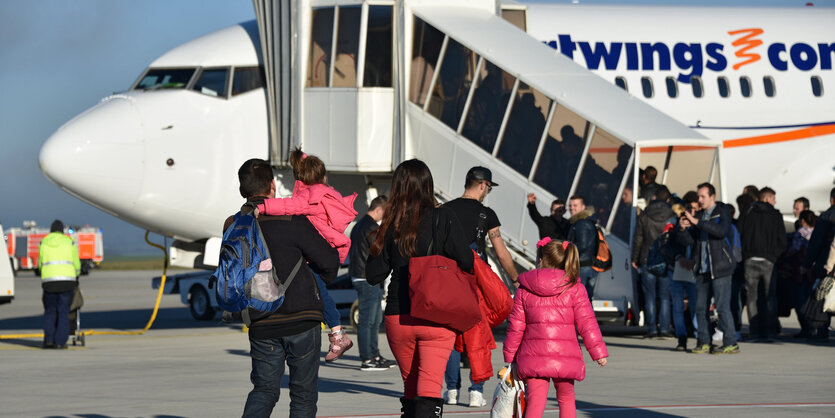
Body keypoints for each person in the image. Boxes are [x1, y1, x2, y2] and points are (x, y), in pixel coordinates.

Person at [231, 159, 340, 417]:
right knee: (302, 397)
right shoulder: (293, 220)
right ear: (272, 186)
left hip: (261, 321)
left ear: (241, 190)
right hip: (302, 317)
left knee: (263, 391)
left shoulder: (234, 225)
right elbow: (330, 264)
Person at [367, 159, 474, 417]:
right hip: (436, 312)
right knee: (429, 389)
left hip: (398, 314)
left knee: (411, 388)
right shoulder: (443, 217)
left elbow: (374, 274)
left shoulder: (391, 223)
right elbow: (467, 260)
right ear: (428, 185)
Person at [255, 149, 357, 362]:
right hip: (328, 248)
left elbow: (288, 205)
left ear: (301, 176)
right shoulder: (327, 192)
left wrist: (263, 207)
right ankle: (337, 333)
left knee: (320, 293)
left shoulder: (310, 196)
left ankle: (339, 335)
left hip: (316, 252)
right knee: (319, 290)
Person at [503, 238, 608, 418]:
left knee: (535, 401)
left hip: (533, 355)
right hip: (565, 355)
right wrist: (598, 352)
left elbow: (516, 326)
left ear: (541, 259)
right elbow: (587, 323)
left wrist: (510, 355)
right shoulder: (575, 288)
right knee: (566, 399)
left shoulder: (524, 289)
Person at [442, 166, 518, 408]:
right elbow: (501, 253)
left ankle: (452, 390)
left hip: (448, 281)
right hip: (475, 282)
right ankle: (476, 392)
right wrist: (516, 278)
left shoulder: (445, 210)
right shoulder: (487, 215)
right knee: (478, 334)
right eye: (488, 188)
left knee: (452, 337)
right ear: (484, 184)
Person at [674, 182, 740, 354]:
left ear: (712, 197)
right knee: (700, 307)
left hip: (720, 267)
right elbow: (691, 241)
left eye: (703, 196)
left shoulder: (722, 211)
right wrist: (683, 229)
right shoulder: (701, 215)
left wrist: (697, 222)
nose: (700, 200)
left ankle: (730, 342)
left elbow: (721, 231)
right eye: (699, 197)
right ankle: (703, 341)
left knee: (722, 306)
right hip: (702, 268)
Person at [348, 195, 395, 371]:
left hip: (363, 276)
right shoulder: (371, 227)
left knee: (374, 320)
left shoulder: (359, 225)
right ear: (378, 210)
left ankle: (374, 355)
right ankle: (368, 358)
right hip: (366, 278)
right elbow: (380, 251)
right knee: (369, 320)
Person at [739, 187, 787, 341]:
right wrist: (775, 255)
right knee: (769, 296)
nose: (775, 202)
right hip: (769, 260)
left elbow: (740, 233)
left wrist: (745, 253)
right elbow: (782, 240)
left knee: (751, 297)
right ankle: (770, 330)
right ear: (767, 198)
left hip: (750, 258)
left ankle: (755, 329)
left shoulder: (748, 212)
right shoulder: (775, 215)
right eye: (773, 198)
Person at [631, 186, 675, 339]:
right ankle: (664, 328)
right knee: (664, 296)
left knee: (649, 296)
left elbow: (638, 239)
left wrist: (634, 258)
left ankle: (652, 329)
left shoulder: (644, 215)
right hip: (665, 259)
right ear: (668, 199)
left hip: (646, 258)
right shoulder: (672, 215)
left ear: (654, 198)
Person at [38, 220, 80, 349]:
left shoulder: (44, 242)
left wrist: (44, 274)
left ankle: (49, 341)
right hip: (67, 282)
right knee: (63, 312)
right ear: (62, 230)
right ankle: (60, 342)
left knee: (50, 311)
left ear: (51, 230)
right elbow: (76, 263)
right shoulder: (69, 242)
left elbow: (40, 263)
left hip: (49, 282)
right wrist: (76, 274)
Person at [801, 187, 835, 340]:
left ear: (831, 199)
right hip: (828, 262)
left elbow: (816, 244)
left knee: (823, 296)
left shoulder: (826, 217)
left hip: (826, 264)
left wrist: (807, 264)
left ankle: (822, 330)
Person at [670, 198, 699, 351]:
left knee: (696, 305)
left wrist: (690, 228)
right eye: (689, 208)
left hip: (693, 271)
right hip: (677, 271)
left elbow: (694, 243)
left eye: (695, 209)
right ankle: (681, 337)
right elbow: (670, 246)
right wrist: (679, 229)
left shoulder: (699, 227)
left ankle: (699, 335)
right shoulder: (676, 226)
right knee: (678, 306)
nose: (691, 212)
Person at [786, 210, 816, 337]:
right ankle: (814, 327)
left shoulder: (800, 233)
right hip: (814, 270)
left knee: (800, 301)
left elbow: (794, 250)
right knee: (812, 299)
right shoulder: (816, 232)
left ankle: (805, 328)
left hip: (801, 271)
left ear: (803, 220)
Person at [567, 195, 598, 299]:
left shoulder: (582, 223)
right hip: (586, 266)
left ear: (583, 207)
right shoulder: (584, 221)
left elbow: (582, 245)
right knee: (586, 301)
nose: (572, 208)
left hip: (582, 266)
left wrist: (566, 249)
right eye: (570, 205)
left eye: (575, 205)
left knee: (581, 301)